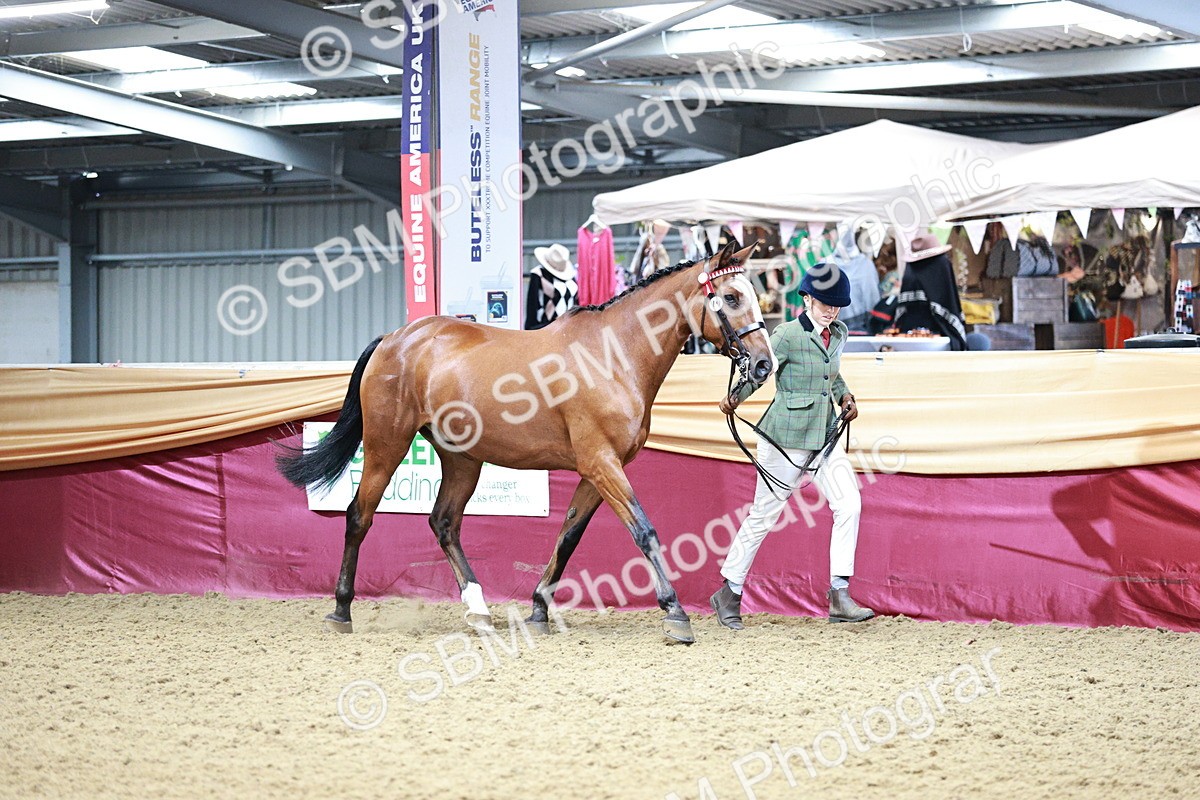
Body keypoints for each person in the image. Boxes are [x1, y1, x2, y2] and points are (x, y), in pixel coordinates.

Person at [711, 264, 875, 628]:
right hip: (783, 436)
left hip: (824, 435)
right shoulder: (786, 334)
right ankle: (729, 591)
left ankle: (839, 593)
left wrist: (845, 395)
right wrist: (735, 398)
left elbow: (831, 374)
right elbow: (762, 369)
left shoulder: (840, 332)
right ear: (807, 299)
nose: (831, 311)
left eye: (837, 306)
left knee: (849, 503)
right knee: (764, 514)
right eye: (825, 304)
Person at [895, 233, 967, 350]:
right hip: (942, 332)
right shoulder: (941, 263)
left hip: (909, 333)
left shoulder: (911, 267)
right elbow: (948, 298)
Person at [524, 243, 579, 330]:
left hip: (570, 328)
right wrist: (531, 329)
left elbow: (576, 302)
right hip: (546, 328)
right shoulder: (539, 274)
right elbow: (532, 305)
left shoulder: (571, 276)